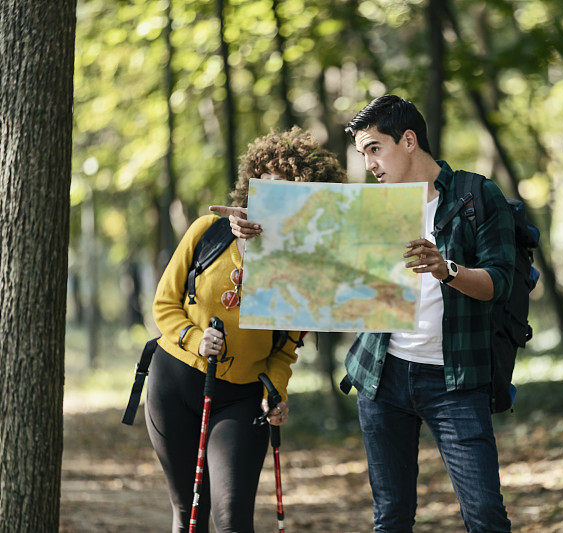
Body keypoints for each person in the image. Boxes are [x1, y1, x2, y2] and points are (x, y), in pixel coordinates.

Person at [147, 126, 347, 533]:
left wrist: (275, 390)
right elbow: (164, 305)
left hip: (241, 396)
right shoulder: (207, 232)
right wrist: (195, 338)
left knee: (233, 519)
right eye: (266, 189)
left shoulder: (302, 266)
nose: (273, 204)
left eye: (288, 196)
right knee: (189, 514)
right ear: (250, 188)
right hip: (176, 383)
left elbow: (286, 348)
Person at [342, 95, 516, 532]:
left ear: (408, 139)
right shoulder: (373, 208)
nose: (369, 165)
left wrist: (447, 269)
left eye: (374, 149)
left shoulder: (476, 195)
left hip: (454, 380)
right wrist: (258, 230)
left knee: (485, 516)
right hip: (381, 376)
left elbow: (500, 283)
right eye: (363, 155)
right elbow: (311, 254)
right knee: (391, 519)